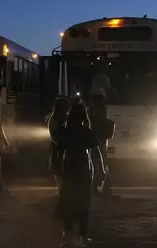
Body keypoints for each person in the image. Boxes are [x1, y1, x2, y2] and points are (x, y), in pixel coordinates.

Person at [53, 103, 105, 247]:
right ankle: (83, 236)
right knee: (84, 203)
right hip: (84, 169)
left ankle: (67, 235)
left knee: (67, 201)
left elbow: (56, 150)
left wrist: (56, 169)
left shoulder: (64, 132)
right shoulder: (87, 133)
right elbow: (96, 153)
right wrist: (101, 171)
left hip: (69, 168)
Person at [47, 97, 70, 216]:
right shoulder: (56, 121)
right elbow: (58, 140)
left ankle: (62, 211)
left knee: (64, 187)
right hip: (59, 156)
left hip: (60, 156)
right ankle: (61, 212)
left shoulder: (57, 119)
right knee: (64, 186)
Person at [89, 93, 114, 197]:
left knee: (96, 164)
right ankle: (104, 189)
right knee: (102, 164)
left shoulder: (93, 114)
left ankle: (96, 189)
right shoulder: (101, 113)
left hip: (96, 142)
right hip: (100, 142)